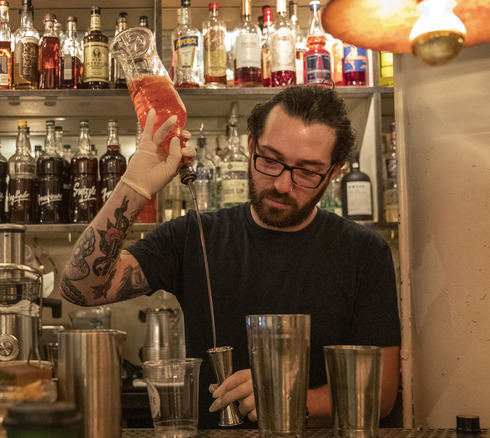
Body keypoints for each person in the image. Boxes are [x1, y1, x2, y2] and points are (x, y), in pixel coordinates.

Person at [60, 85, 401, 429]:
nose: (282, 184)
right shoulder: (194, 237)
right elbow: (81, 288)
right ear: (251, 145)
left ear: (335, 171)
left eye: (307, 172)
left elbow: (381, 395)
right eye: (270, 160)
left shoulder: (364, 253)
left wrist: (287, 399)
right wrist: (133, 186)